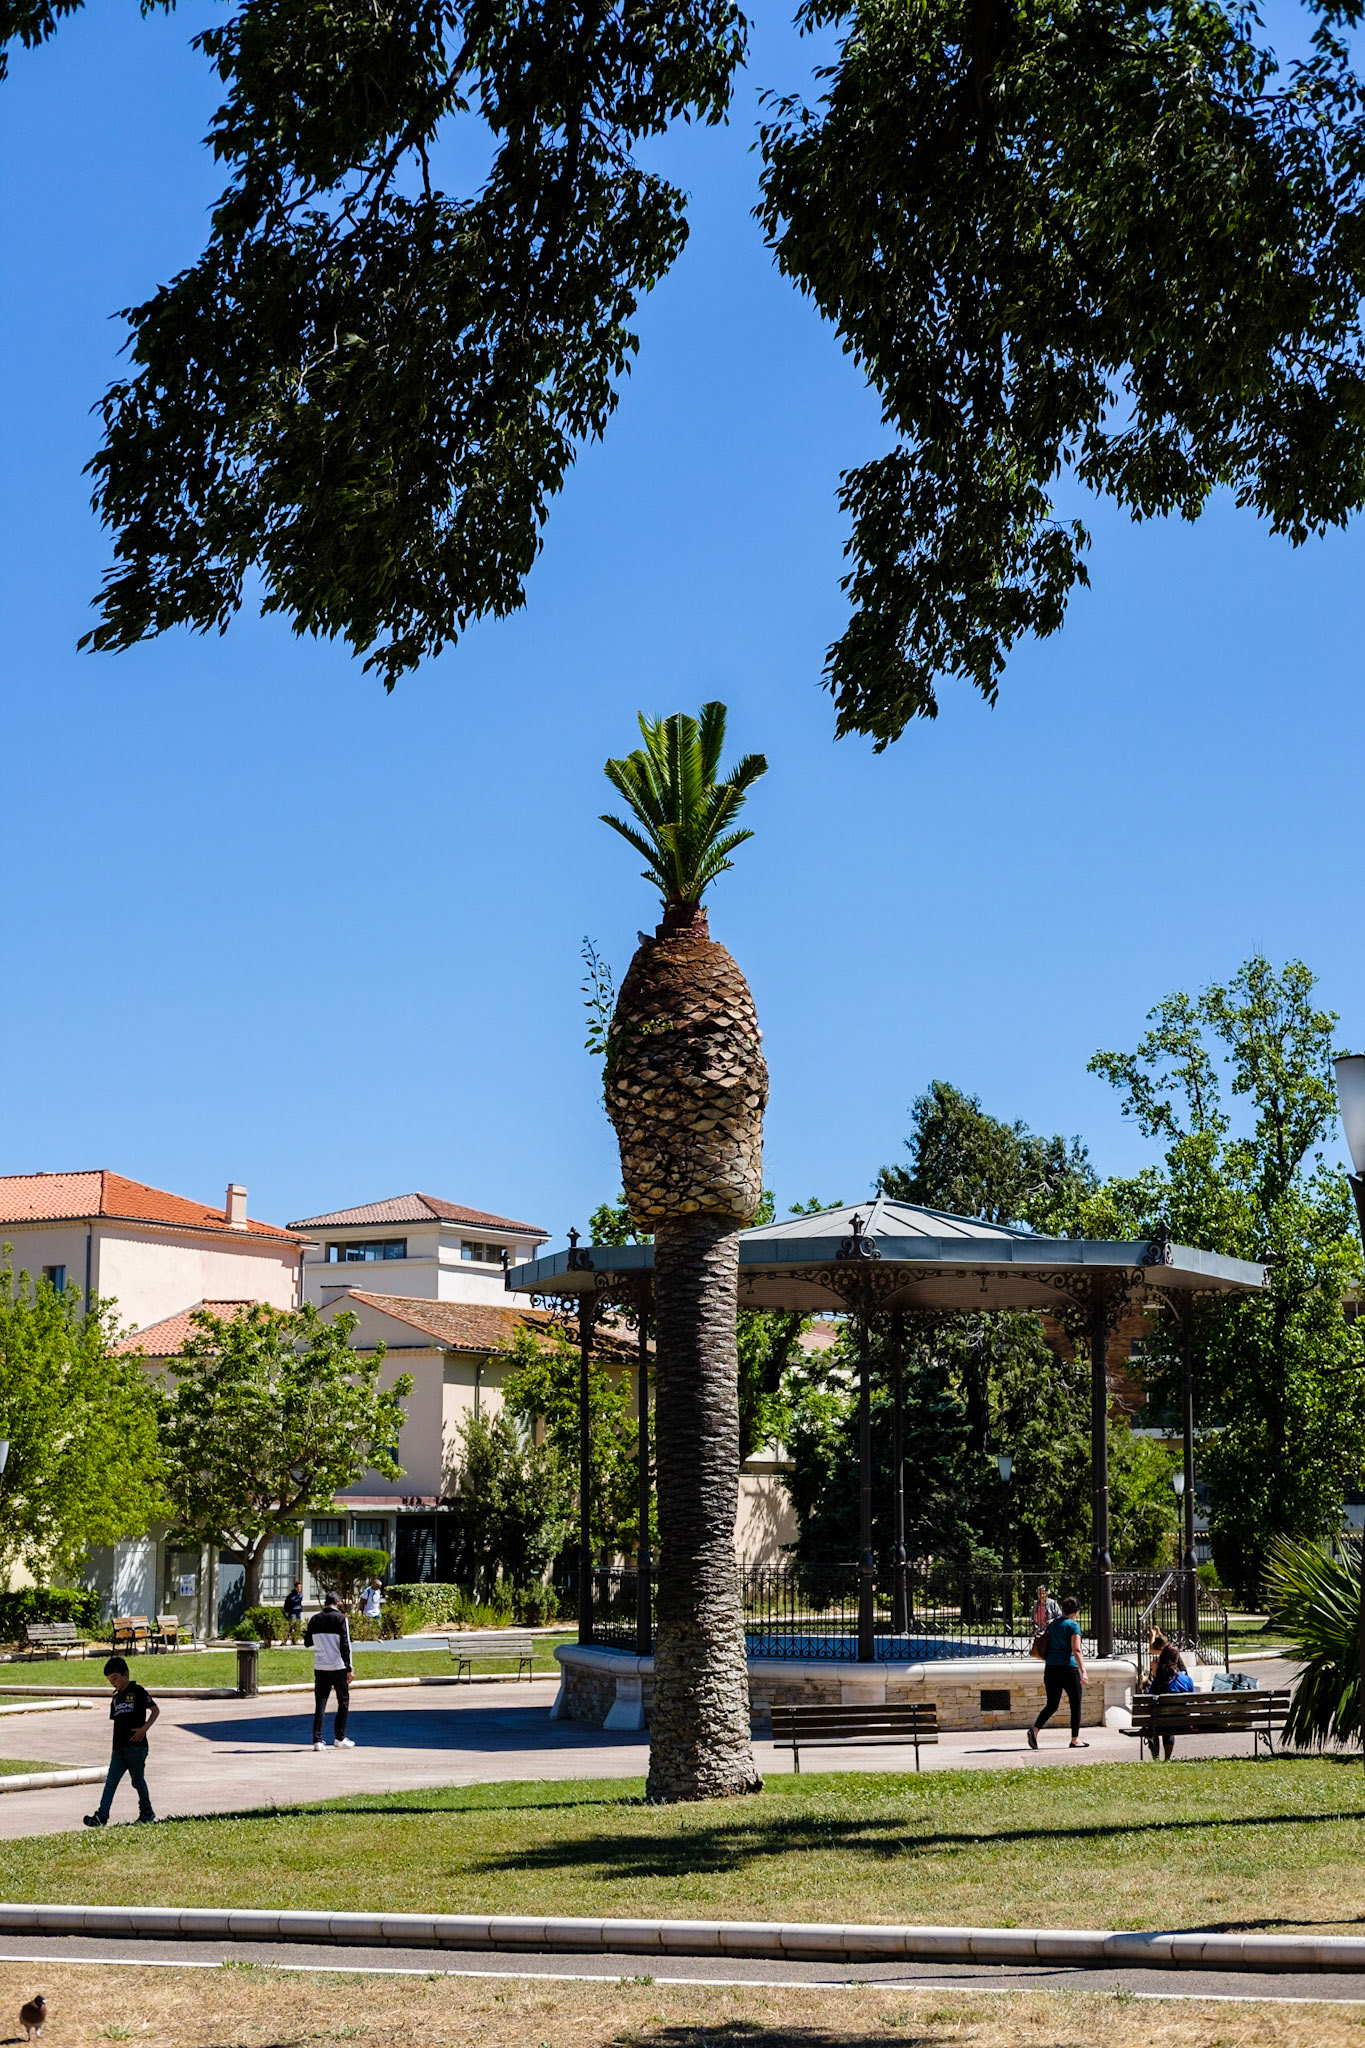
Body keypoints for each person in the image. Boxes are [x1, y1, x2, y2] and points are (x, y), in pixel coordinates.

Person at [84, 1657, 159, 1826]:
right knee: (111, 1781)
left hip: (137, 1747)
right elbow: (117, 1723)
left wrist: (144, 1729)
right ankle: (101, 1816)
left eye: (115, 1679)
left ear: (126, 1674)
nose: (113, 1683)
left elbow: (155, 1710)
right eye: (110, 1681)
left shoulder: (138, 1691)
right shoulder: (116, 1698)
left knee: (137, 1781)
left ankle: (147, 1812)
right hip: (118, 1749)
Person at [1027, 1595, 1089, 1749]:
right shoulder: (1073, 1626)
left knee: (1052, 1704)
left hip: (1051, 1668)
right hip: (1068, 1668)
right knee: (1075, 1704)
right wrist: (1083, 1671)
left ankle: (1035, 1730)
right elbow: (1076, 1649)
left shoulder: (1053, 1624)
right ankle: (1075, 1739)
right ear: (1076, 1612)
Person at [305, 1593, 355, 1750]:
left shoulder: (315, 1619)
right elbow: (346, 1645)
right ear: (338, 1603)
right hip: (338, 1666)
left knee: (320, 1702)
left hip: (320, 1666)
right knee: (343, 1700)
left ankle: (317, 1740)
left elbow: (307, 1642)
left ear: (325, 1603)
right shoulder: (341, 1619)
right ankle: (339, 1737)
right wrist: (349, 1667)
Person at [1143, 1637, 1195, 1759]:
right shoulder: (1186, 1680)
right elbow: (1192, 1699)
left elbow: (1150, 1698)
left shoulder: (1158, 1681)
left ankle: (1155, 1757)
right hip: (1181, 1723)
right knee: (1168, 1723)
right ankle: (1167, 1758)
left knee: (1156, 1721)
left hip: (1159, 1723)